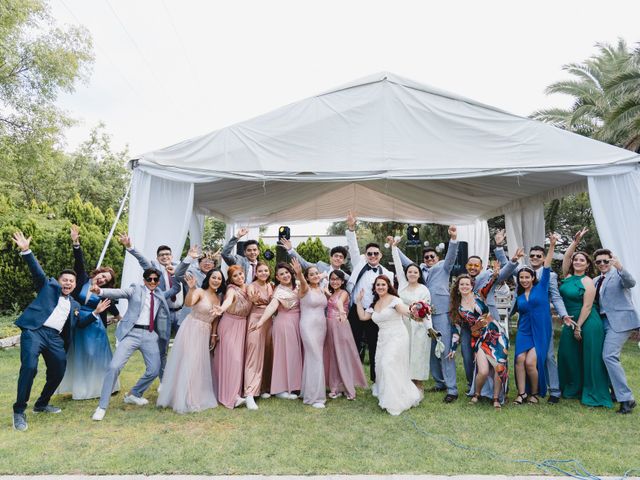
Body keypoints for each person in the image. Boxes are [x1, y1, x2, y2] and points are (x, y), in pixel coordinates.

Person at [11, 231, 108, 432]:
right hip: (35, 331)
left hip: (54, 338)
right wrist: (26, 251)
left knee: (59, 369)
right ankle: (19, 411)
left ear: (74, 286)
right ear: (59, 280)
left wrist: (96, 312)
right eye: (65, 280)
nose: (68, 283)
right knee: (30, 367)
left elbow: (79, 323)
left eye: (71, 282)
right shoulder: (48, 287)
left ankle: (41, 404)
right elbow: (37, 272)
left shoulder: (74, 303)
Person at [90, 247, 194, 421]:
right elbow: (118, 293)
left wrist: (187, 260)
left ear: (158, 280)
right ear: (144, 279)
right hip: (132, 333)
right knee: (114, 367)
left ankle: (135, 393)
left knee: (154, 370)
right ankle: (102, 406)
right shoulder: (134, 289)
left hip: (150, 335)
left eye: (155, 279)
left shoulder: (162, 293)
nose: (152, 281)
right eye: (149, 279)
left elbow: (176, 286)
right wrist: (100, 291)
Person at [495, 233, 572, 404]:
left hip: (541, 324)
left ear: (543, 258)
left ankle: (554, 390)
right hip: (524, 325)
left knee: (548, 357)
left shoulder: (547, 277)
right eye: (533, 256)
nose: (535, 258)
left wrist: (564, 314)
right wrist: (500, 246)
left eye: (539, 256)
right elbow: (510, 265)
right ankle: (524, 393)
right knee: (520, 359)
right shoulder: (522, 273)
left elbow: (556, 297)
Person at [57, 225, 121, 400]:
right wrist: (75, 242)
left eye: (106, 280)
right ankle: (82, 387)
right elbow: (79, 262)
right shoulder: (83, 280)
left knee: (95, 355)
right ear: (98, 272)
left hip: (94, 326)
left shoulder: (103, 293)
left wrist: (116, 317)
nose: (102, 279)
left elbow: (113, 308)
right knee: (80, 356)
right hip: (78, 322)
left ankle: (103, 386)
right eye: (102, 276)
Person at [396, 225, 459, 402]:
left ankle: (452, 389)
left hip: (440, 315)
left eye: (432, 256)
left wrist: (453, 239)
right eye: (426, 257)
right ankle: (439, 383)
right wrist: (394, 247)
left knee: (444, 349)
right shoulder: (418, 271)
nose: (429, 259)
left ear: (437, 258)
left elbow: (451, 257)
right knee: (428, 351)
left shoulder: (443, 268)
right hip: (419, 317)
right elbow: (405, 261)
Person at [157, 269, 225, 413]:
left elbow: (215, 319)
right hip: (192, 328)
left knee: (199, 364)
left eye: (219, 278)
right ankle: (185, 399)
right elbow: (189, 303)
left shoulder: (219, 298)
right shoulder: (200, 291)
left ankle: (193, 394)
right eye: (214, 277)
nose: (216, 280)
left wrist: (213, 335)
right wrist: (192, 288)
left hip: (205, 332)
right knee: (189, 362)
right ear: (208, 278)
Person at [558, 229, 612, 408]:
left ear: (588, 265)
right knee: (568, 354)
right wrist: (575, 242)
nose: (577, 261)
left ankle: (594, 392)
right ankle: (573, 387)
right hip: (570, 321)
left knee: (590, 357)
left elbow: (588, 306)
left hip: (587, 322)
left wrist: (578, 327)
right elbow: (566, 258)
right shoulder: (567, 276)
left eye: (582, 260)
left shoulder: (588, 282)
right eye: (576, 259)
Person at [356, 275, 422, 415]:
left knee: (388, 363)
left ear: (388, 286)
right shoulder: (374, 305)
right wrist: (358, 302)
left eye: (383, 285)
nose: (380, 287)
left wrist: (415, 312)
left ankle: (394, 401)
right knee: (381, 366)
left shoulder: (395, 300)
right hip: (383, 339)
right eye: (378, 285)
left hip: (397, 336)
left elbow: (404, 310)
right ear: (375, 288)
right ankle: (389, 393)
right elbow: (363, 317)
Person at [462, 242, 521, 394]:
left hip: (488, 321)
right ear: (466, 266)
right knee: (468, 355)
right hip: (468, 323)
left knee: (493, 355)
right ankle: (473, 385)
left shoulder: (489, 275)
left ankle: (497, 390)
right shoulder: (462, 281)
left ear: (481, 267)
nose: (473, 268)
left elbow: (503, 274)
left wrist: (513, 261)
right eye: (470, 265)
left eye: (476, 265)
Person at [450, 264, 509, 410]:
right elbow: (456, 328)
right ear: (458, 287)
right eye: (461, 284)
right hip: (479, 339)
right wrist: (452, 348)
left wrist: (495, 275)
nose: (464, 286)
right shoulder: (457, 307)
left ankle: (496, 398)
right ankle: (476, 394)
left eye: (467, 284)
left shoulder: (480, 295)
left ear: (472, 285)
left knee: (499, 367)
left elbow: (489, 284)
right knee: (482, 370)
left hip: (496, 335)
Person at [345, 210, 394, 382]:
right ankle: (350, 378)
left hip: (375, 313)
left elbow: (391, 294)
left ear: (380, 255)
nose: (372, 256)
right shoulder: (359, 264)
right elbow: (352, 246)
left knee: (375, 346)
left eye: (375, 253)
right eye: (369, 253)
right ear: (365, 255)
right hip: (356, 310)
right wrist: (351, 228)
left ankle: (376, 379)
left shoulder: (387, 273)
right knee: (352, 345)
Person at [512, 233, 558, 405]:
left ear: (533, 278)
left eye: (527, 277)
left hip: (541, 329)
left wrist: (552, 245)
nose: (524, 280)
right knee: (519, 360)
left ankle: (535, 393)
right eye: (521, 278)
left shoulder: (542, 285)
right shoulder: (519, 296)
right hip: (524, 330)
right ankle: (522, 393)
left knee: (532, 362)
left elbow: (546, 266)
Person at [593, 247, 639, 414]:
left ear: (611, 261)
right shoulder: (596, 280)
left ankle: (627, 399)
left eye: (606, 260)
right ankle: (613, 391)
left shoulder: (618, 275)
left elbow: (631, 283)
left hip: (620, 321)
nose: (603, 264)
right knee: (603, 356)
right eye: (599, 261)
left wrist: (620, 267)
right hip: (602, 322)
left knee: (609, 355)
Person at [250, 262, 302, 400]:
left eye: (286, 273)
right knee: (284, 356)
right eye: (281, 274)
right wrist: (261, 321)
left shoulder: (298, 284)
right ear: (277, 278)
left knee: (296, 356)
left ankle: (296, 385)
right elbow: (272, 306)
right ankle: (280, 388)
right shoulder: (279, 291)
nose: (285, 276)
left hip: (298, 323)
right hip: (284, 324)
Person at [390, 237, 432, 392]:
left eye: (415, 272)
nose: (412, 274)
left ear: (419, 274)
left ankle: (418, 383)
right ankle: (404, 383)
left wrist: (430, 329)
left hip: (419, 326)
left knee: (419, 354)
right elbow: (398, 265)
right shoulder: (402, 284)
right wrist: (394, 248)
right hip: (402, 324)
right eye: (410, 271)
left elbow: (427, 311)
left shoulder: (424, 290)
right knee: (404, 353)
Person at [120, 235, 185, 334]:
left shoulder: (179, 268)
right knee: (162, 341)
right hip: (163, 312)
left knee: (183, 340)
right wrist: (130, 247)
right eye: (161, 255)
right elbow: (142, 260)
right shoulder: (154, 270)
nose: (164, 256)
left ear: (172, 256)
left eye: (167, 254)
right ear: (157, 258)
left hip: (180, 311)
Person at [212, 265, 252, 409]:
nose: (239, 277)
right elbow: (228, 300)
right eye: (235, 276)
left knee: (239, 361)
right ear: (231, 279)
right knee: (232, 360)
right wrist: (221, 309)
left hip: (242, 326)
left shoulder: (248, 288)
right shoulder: (231, 290)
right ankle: (231, 397)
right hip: (229, 324)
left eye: (240, 274)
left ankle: (235, 392)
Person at [323, 270, 367, 400]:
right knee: (333, 356)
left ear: (342, 281)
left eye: (337, 279)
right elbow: (330, 300)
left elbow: (339, 303)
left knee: (343, 355)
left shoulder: (344, 293)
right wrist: (326, 293)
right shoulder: (332, 293)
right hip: (329, 326)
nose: (334, 281)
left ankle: (349, 388)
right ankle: (335, 387)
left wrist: (342, 312)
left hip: (340, 325)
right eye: (332, 279)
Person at [292, 258, 328, 408]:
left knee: (314, 358)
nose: (314, 276)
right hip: (307, 326)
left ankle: (308, 390)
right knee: (316, 357)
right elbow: (302, 280)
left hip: (321, 326)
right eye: (311, 274)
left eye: (316, 273)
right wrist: (299, 273)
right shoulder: (304, 288)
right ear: (307, 277)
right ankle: (316, 397)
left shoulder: (321, 289)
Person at [244, 262, 275, 410]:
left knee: (268, 353)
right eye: (260, 271)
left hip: (269, 320)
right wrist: (254, 300)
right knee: (254, 355)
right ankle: (249, 393)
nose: (263, 273)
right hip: (256, 319)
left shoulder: (270, 286)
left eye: (266, 270)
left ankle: (263, 387)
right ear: (256, 273)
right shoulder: (252, 286)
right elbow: (251, 300)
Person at [281, 237, 350, 285]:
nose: (338, 258)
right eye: (336, 256)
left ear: (343, 261)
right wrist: (290, 250)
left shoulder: (346, 277)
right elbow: (304, 263)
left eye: (341, 257)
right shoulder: (320, 265)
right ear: (331, 258)